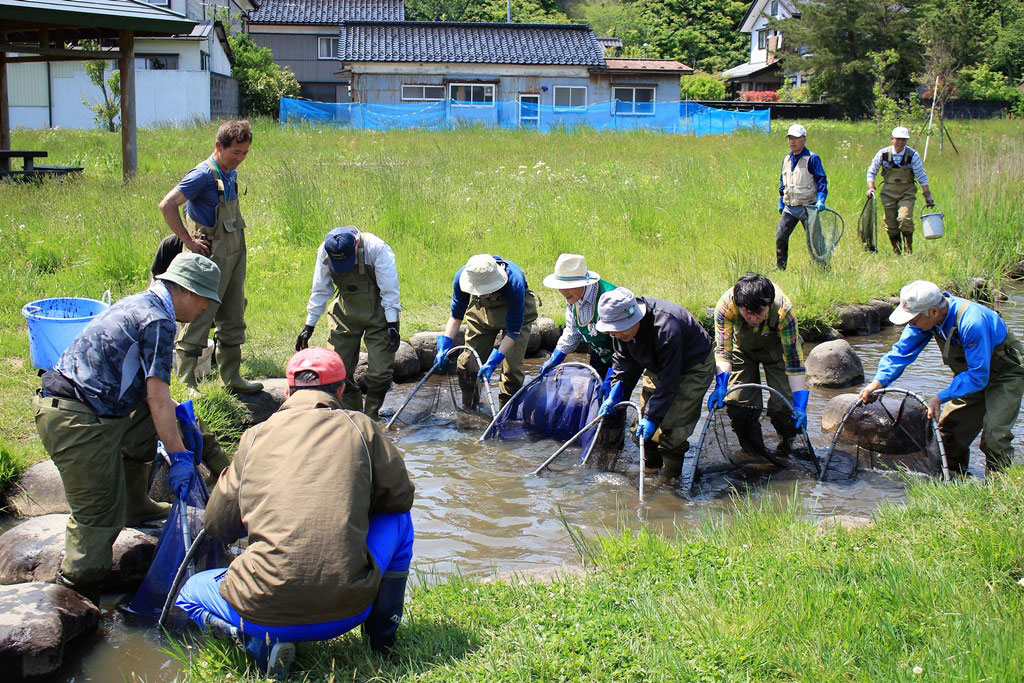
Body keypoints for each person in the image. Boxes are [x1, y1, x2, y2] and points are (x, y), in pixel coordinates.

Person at [175, 347, 415, 679]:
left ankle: (253, 642)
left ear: (288, 392)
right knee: (400, 521)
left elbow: (218, 525)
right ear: (341, 391)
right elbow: (400, 498)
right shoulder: (362, 427)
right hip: (350, 611)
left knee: (189, 594)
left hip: (260, 613)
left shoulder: (254, 437)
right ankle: (382, 643)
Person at [32, 254, 222, 599]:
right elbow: (157, 396)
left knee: (176, 420)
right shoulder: (158, 321)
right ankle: (74, 593)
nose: (205, 309)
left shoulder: (139, 303)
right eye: (205, 300)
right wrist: (179, 457)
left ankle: (136, 504)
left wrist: (193, 431)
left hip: (98, 411)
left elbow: (159, 402)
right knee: (98, 517)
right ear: (187, 290)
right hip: (76, 420)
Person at [858, 281, 1024, 475]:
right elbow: (901, 353)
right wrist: (878, 382)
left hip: (1005, 375)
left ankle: (999, 485)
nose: (910, 324)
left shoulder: (972, 322)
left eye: (913, 320)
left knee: (995, 435)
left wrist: (939, 397)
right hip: (969, 377)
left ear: (934, 311)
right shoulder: (927, 318)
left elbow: (979, 375)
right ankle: (953, 479)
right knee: (947, 434)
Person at [158, 120, 262, 394]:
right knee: (200, 315)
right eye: (235, 152)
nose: (240, 158)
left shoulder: (230, 174)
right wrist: (188, 241)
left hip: (235, 254)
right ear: (219, 146)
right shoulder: (202, 175)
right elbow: (167, 205)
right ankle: (186, 381)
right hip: (208, 258)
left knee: (234, 314)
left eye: (245, 153)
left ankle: (232, 377)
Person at [595, 287, 715, 483]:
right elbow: (623, 360)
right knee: (641, 430)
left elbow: (669, 383)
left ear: (635, 319)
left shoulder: (666, 328)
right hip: (658, 363)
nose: (616, 333)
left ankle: (670, 481)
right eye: (612, 331)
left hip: (693, 365)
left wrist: (653, 417)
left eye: (620, 329)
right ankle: (651, 469)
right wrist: (617, 388)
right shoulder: (620, 333)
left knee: (672, 429)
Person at [296, 227, 402, 420]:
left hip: (379, 315)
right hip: (344, 315)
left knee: (380, 373)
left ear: (356, 244)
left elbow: (390, 291)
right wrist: (309, 326)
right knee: (336, 371)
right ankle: (352, 416)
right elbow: (320, 290)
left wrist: (392, 325)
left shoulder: (376, 248)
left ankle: (371, 416)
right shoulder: (326, 250)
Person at [708, 274, 809, 458]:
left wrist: (800, 403)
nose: (753, 318)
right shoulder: (726, 306)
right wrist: (721, 384)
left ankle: (786, 445)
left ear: (769, 304)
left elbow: (794, 362)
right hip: (742, 350)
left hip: (778, 350)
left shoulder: (784, 311)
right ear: (738, 304)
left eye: (759, 312)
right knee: (738, 403)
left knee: (785, 407)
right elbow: (723, 352)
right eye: (747, 312)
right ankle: (753, 453)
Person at [540, 253, 632, 446]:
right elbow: (572, 332)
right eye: (560, 287)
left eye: (567, 286)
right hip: (599, 355)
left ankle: (612, 447)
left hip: (624, 359)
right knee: (595, 401)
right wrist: (555, 358)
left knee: (614, 404)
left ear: (583, 282)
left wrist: (612, 377)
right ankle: (596, 438)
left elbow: (625, 344)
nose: (563, 292)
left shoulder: (608, 298)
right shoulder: (573, 298)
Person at [433, 254, 538, 409]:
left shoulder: (514, 282)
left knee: (512, 372)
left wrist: (494, 361)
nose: (484, 293)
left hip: (517, 316)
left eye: (487, 289)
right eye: (479, 290)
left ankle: (505, 414)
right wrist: (445, 344)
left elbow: (513, 332)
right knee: (468, 364)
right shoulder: (462, 277)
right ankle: (469, 410)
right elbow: (456, 316)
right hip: (481, 312)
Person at [866, 126, 936, 255]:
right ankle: (897, 252)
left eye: (903, 139)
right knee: (890, 225)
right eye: (898, 139)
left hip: (907, 193)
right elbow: (872, 171)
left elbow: (921, 176)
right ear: (892, 139)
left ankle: (908, 250)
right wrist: (871, 187)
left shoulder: (913, 155)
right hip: (888, 193)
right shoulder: (883, 154)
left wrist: (927, 195)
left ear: (906, 141)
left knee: (905, 220)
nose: (900, 142)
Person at [776, 123, 828, 270]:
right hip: (790, 207)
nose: (792, 141)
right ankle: (781, 267)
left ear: (804, 139)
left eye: (795, 138)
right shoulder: (786, 159)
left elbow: (821, 179)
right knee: (780, 236)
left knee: (815, 239)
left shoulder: (812, 158)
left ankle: (823, 266)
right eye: (790, 138)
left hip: (808, 206)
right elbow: (783, 182)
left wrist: (821, 199)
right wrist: (781, 201)